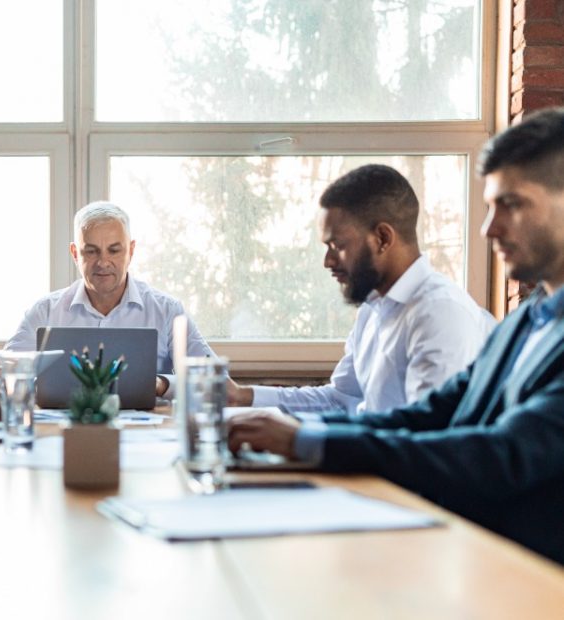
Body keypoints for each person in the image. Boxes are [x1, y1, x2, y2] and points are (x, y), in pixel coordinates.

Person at [228, 107, 564, 565]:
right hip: (470, 556)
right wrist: (299, 432)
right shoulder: (526, 323)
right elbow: (431, 414)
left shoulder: (445, 311)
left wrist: (307, 442)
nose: (490, 229)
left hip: (522, 579)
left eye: (513, 204)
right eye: (489, 208)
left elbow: (501, 456)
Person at [233, 164, 495, 413]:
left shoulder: (439, 313)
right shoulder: (373, 309)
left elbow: (425, 443)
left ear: (382, 238)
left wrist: (306, 442)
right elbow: (340, 400)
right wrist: (243, 396)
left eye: (338, 246)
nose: (328, 262)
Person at [4, 201, 247, 403]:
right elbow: (3, 374)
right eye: (91, 251)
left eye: (114, 250)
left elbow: (216, 380)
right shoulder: (44, 312)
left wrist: (162, 384)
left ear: (131, 250)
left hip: (151, 436)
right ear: (75, 253)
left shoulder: (167, 311)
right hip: (63, 433)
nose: (103, 262)